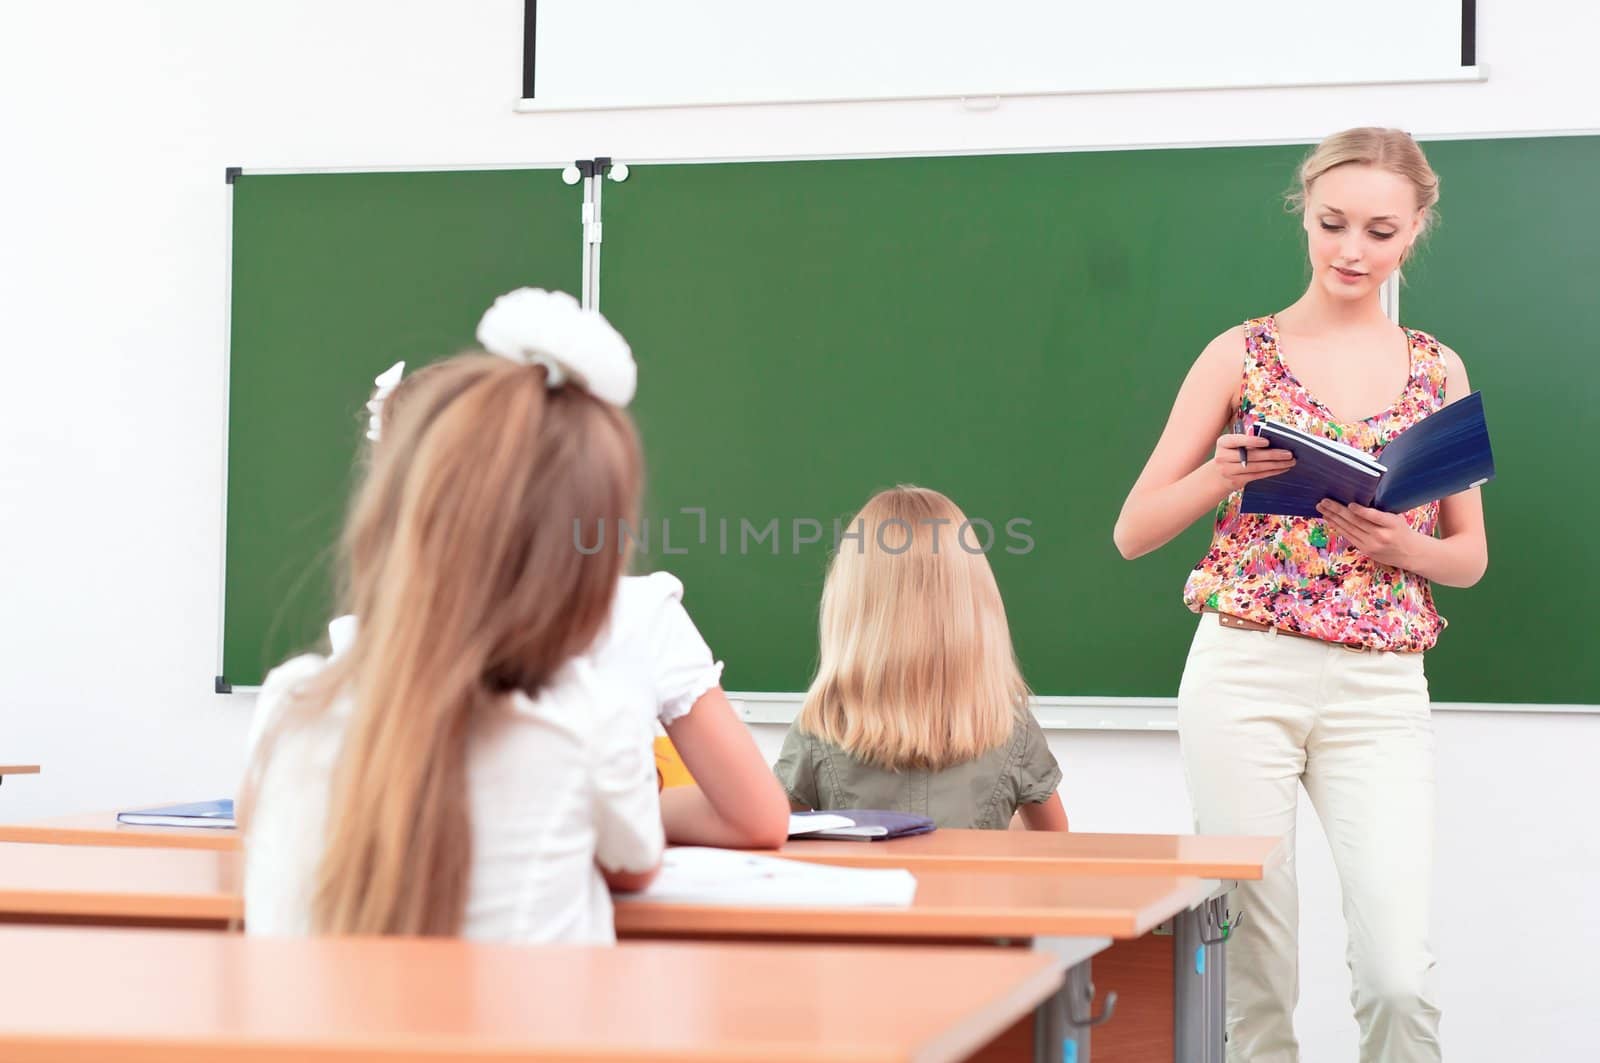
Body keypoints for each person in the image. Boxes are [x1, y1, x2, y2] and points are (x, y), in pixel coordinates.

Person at [1114, 128, 1488, 1061]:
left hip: (1381, 687)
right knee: (1255, 970)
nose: (1352, 250)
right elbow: (1133, 530)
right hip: (1245, 673)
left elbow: (1470, 556)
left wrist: (1407, 543)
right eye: (1332, 224)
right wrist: (1220, 474)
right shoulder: (1240, 354)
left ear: (1414, 234)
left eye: (1378, 230)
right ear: (1305, 217)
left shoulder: (1440, 369)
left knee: (1401, 973)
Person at [242, 290, 663, 941]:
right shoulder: (588, 719)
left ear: (390, 520)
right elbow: (636, 864)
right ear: (582, 577)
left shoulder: (290, 705)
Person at [775, 485, 1068, 830]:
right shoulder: (1010, 728)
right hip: (975, 887)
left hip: (869, 885)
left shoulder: (822, 728)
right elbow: (1053, 840)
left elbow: (771, 830)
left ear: (853, 607)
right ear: (974, 605)